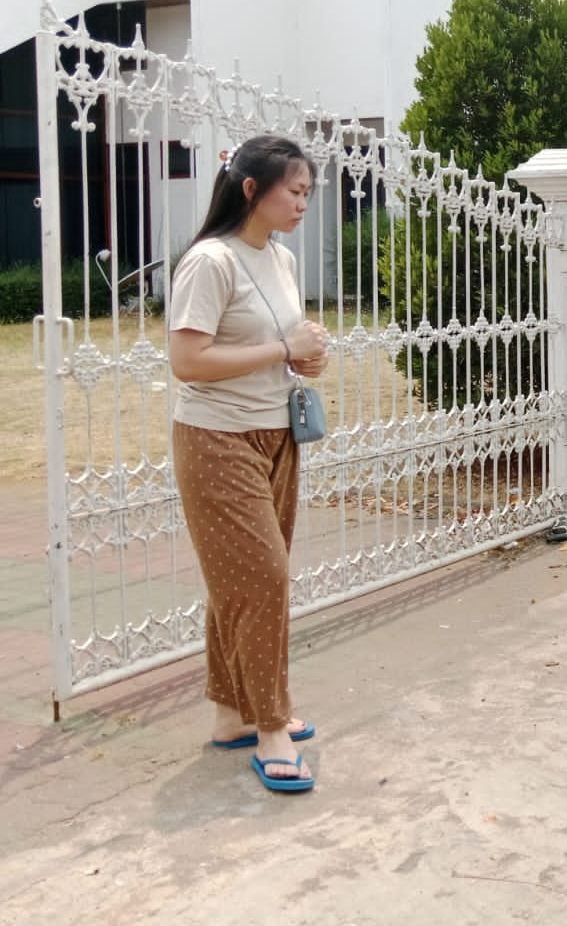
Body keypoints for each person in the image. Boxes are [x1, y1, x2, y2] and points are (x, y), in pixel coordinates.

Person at [167, 135, 330, 793]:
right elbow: (188, 361)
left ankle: (231, 716)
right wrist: (277, 350)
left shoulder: (281, 260)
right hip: (217, 439)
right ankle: (271, 727)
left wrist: (304, 353)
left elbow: (278, 343)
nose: (302, 203)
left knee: (242, 580)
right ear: (251, 190)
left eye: (308, 193)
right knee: (262, 578)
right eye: (293, 191)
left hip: (276, 434)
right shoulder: (210, 262)